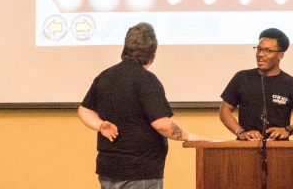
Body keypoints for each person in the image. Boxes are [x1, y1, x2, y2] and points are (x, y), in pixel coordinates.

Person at [78, 22, 201, 189]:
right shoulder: (147, 80)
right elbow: (161, 124)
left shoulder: (105, 76)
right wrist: (189, 136)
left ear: (125, 48)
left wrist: (100, 125)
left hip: (108, 170)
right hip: (140, 172)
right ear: (153, 54)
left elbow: (84, 110)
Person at [220, 27, 293, 140]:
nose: (260, 54)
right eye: (259, 49)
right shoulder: (242, 78)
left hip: (279, 147)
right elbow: (225, 110)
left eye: (267, 51)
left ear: (280, 55)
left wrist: (288, 130)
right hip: (246, 146)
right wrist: (240, 132)